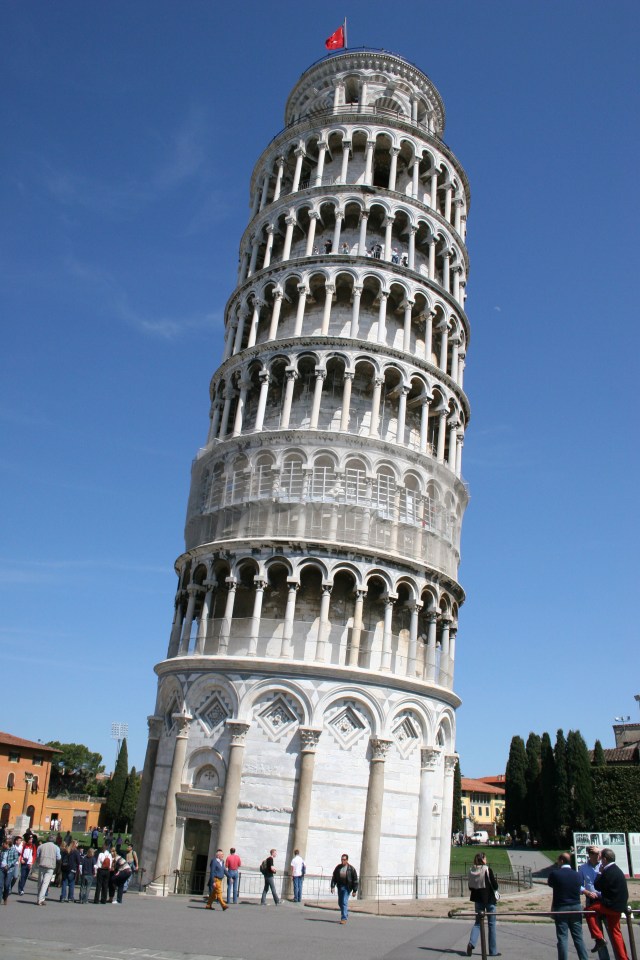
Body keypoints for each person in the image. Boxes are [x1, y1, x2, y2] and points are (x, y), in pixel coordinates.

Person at [587, 848, 629, 960]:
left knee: (589, 910)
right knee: (615, 932)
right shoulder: (618, 870)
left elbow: (597, 885)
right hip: (619, 905)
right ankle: (623, 957)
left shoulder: (607, 871)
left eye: (601, 858)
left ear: (605, 859)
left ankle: (598, 937)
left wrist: (600, 872)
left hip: (610, 905)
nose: (600, 861)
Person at [547, 853, 590, 960]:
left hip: (561, 907)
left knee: (562, 938)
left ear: (561, 861)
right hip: (576, 906)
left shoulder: (555, 874)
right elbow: (580, 886)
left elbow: (551, 884)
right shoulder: (577, 874)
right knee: (578, 937)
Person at [466, 851, 500, 956]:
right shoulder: (487, 870)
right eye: (485, 858)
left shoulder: (472, 870)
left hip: (478, 900)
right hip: (489, 899)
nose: (486, 859)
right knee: (491, 924)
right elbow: (495, 885)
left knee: (477, 923)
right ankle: (493, 951)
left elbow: (470, 887)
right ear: (483, 859)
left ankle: (471, 943)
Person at [578, 846, 607, 954]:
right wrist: (586, 892)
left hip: (603, 898)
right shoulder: (583, 868)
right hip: (591, 898)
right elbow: (579, 885)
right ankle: (603, 953)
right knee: (597, 930)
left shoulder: (604, 866)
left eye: (600, 853)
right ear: (590, 855)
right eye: (596, 853)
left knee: (609, 928)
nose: (599, 855)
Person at [330, 853, 358, 924]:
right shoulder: (338, 867)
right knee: (340, 903)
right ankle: (345, 913)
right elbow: (334, 877)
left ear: (347, 860)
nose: (343, 861)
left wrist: (354, 890)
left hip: (347, 887)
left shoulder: (351, 869)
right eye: (342, 859)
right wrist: (332, 886)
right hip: (340, 886)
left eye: (344, 860)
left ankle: (344, 918)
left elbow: (355, 880)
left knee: (344, 902)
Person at [35, 833, 61, 905]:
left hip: (42, 864)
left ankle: (39, 898)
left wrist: (38, 862)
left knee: (40, 882)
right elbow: (59, 857)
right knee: (45, 883)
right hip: (50, 866)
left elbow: (37, 856)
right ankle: (41, 899)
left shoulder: (41, 846)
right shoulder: (56, 847)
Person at [0, 838, 20, 904]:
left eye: (4, 843)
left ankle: (5, 897)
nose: (3, 844)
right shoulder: (2, 850)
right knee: (0, 885)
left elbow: (16, 858)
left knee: (6, 885)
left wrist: (8, 865)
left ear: (8, 844)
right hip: (2, 869)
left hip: (9, 869)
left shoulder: (13, 850)